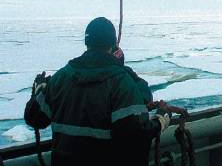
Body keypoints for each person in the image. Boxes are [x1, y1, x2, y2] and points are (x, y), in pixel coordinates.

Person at [24, 17, 169, 166]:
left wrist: (40, 90)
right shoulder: (121, 81)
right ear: (113, 45)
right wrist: (161, 120)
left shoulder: (61, 77)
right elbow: (135, 137)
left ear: (87, 42)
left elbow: (35, 119)